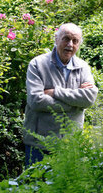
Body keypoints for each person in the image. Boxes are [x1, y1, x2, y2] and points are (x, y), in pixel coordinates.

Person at [23, 23, 98, 166]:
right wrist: (74, 104)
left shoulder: (83, 68)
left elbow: (89, 98)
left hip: (70, 144)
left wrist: (55, 92)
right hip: (39, 143)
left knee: (66, 188)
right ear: (56, 39)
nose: (70, 44)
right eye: (66, 39)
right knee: (35, 186)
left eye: (75, 41)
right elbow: (36, 100)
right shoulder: (37, 64)